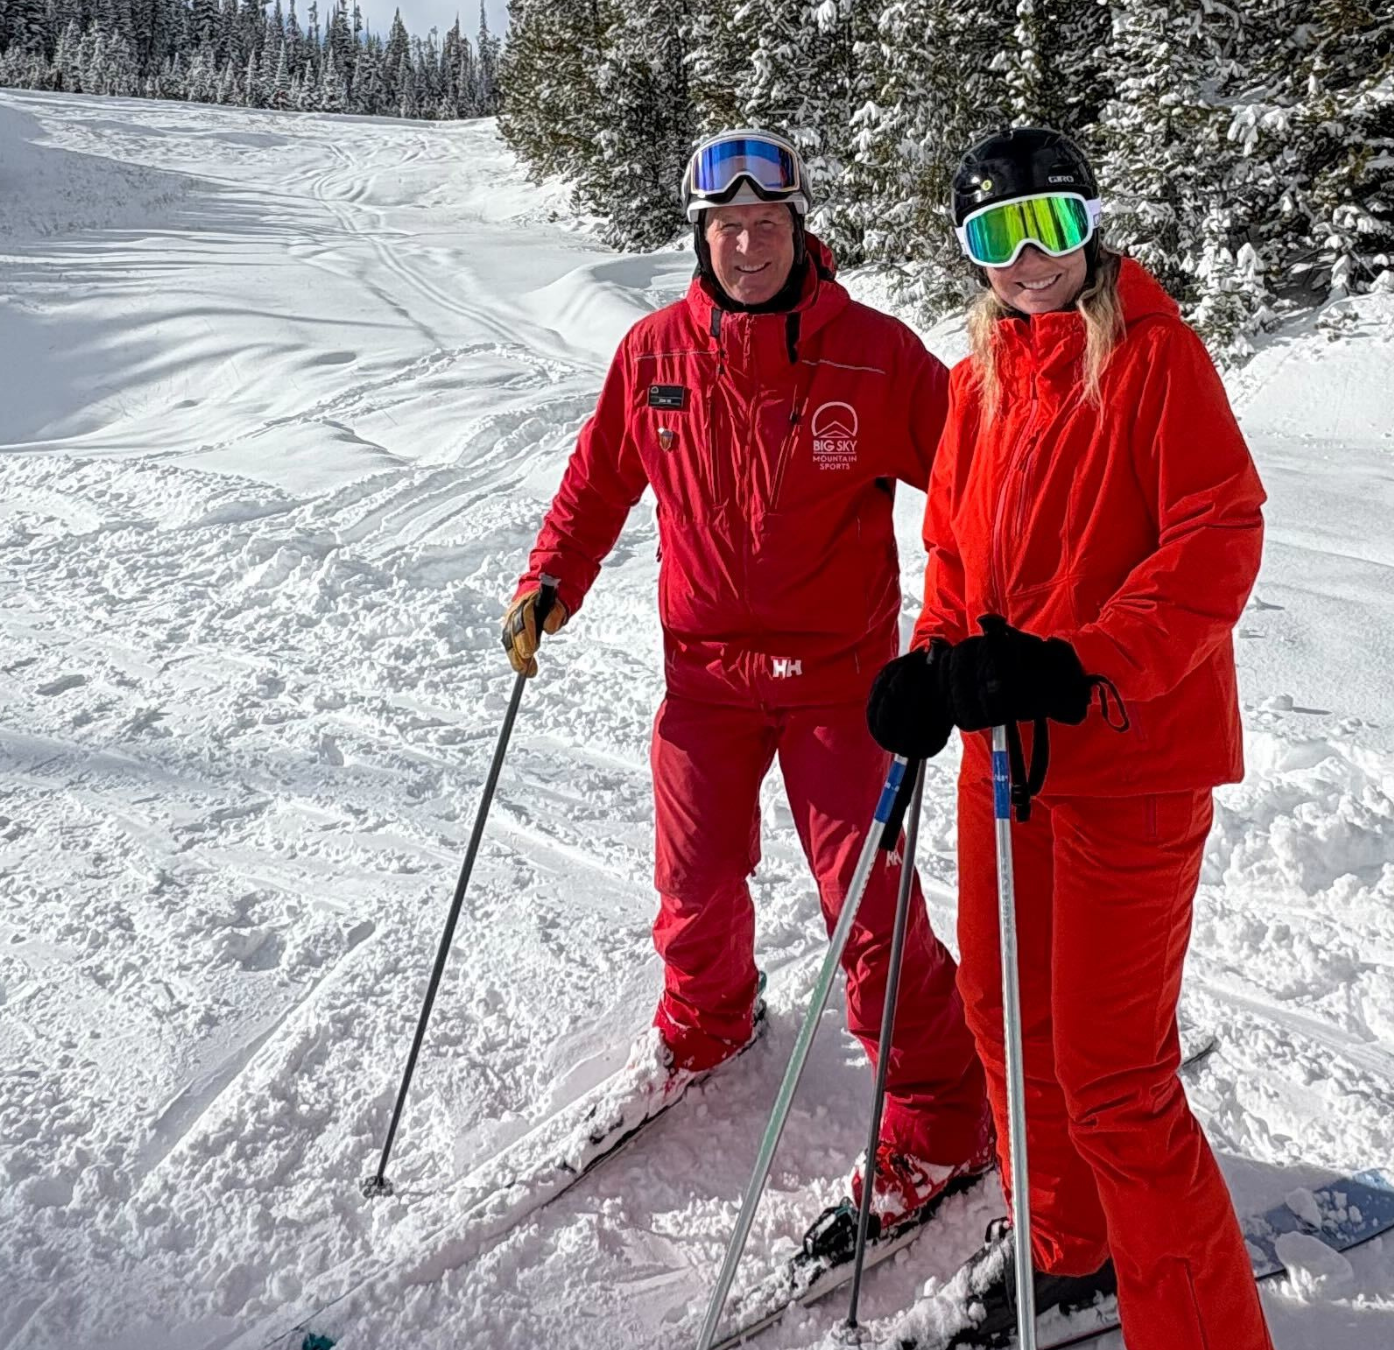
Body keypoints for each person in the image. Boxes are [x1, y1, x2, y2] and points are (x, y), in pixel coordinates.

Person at [504, 129, 993, 1237]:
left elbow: (973, 476)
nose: (748, 243)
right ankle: (711, 1017)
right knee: (692, 878)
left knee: (864, 906)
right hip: (705, 684)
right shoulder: (653, 355)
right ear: (702, 234)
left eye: (768, 225)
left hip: (840, 685)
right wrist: (549, 583)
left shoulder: (873, 356)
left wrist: (985, 617)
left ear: (800, 229)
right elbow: (597, 484)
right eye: (727, 226)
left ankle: (942, 1108)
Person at [865, 127, 1276, 1350]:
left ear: (1089, 222)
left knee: (1115, 1087)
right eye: (996, 236)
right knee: (1005, 1022)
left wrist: (1077, 662)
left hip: (1130, 763)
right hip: (1008, 769)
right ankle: (1067, 1261)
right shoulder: (978, 376)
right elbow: (953, 555)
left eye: (1048, 224)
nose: (1028, 258)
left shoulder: (1156, 360)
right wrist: (935, 665)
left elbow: (1218, 541)